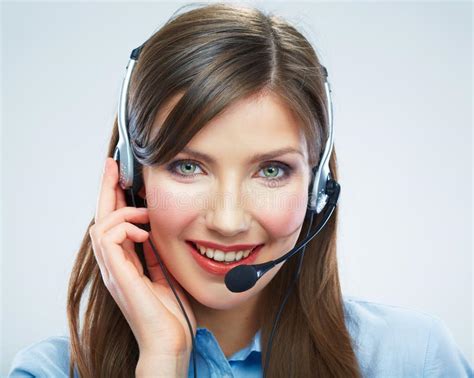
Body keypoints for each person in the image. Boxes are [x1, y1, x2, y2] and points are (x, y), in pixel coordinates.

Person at [8, 3, 473, 378]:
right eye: (188, 166)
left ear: (317, 188)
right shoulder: (47, 371)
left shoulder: (413, 360)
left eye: (270, 171)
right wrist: (161, 362)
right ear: (132, 177)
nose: (228, 221)